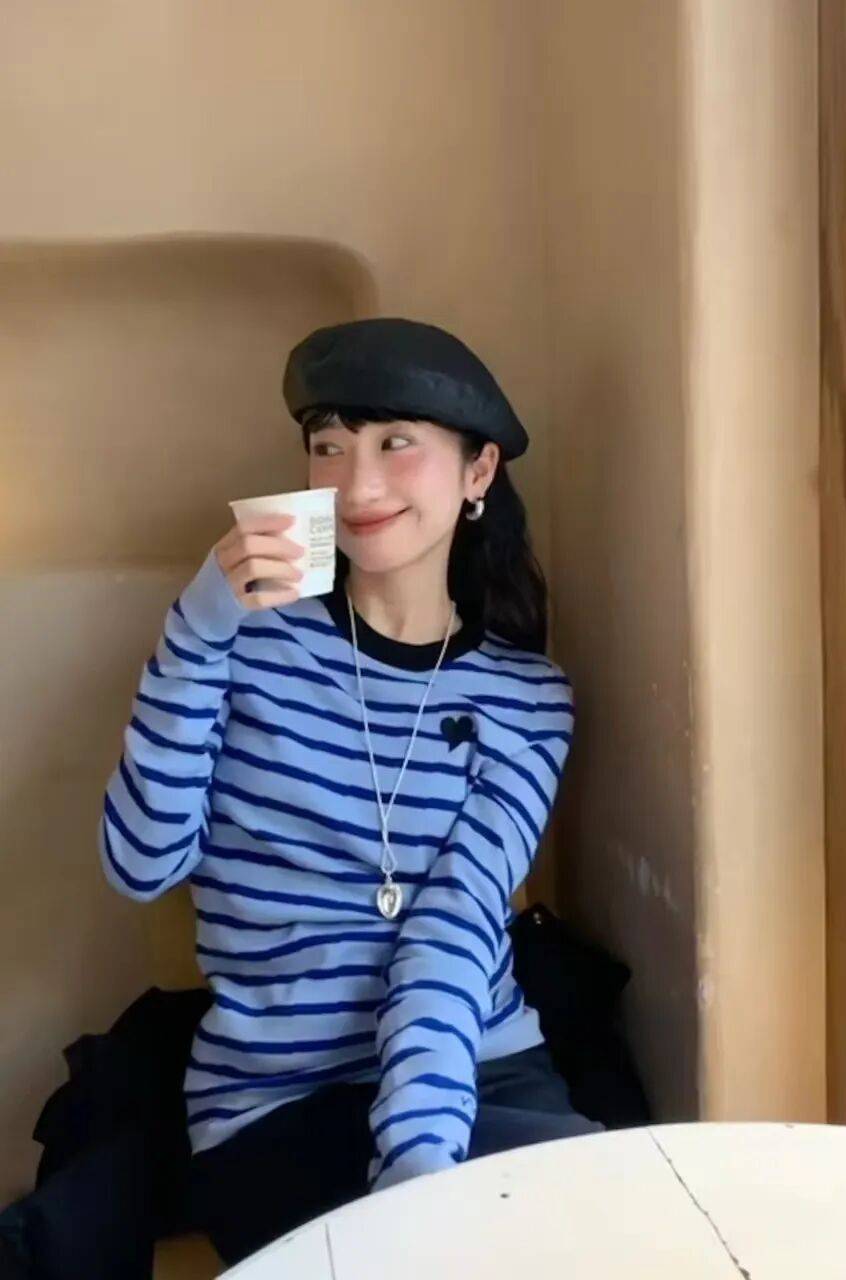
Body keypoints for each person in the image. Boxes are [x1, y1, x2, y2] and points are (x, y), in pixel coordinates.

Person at [98, 317, 601, 1266]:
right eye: (329, 446)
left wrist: (417, 1165)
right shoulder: (244, 641)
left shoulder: (528, 698)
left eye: (396, 442)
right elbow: (141, 862)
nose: (358, 484)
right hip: (277, 1100)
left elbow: (455, 929)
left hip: (481, 1067)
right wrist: (197, 634)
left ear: (479, 471)